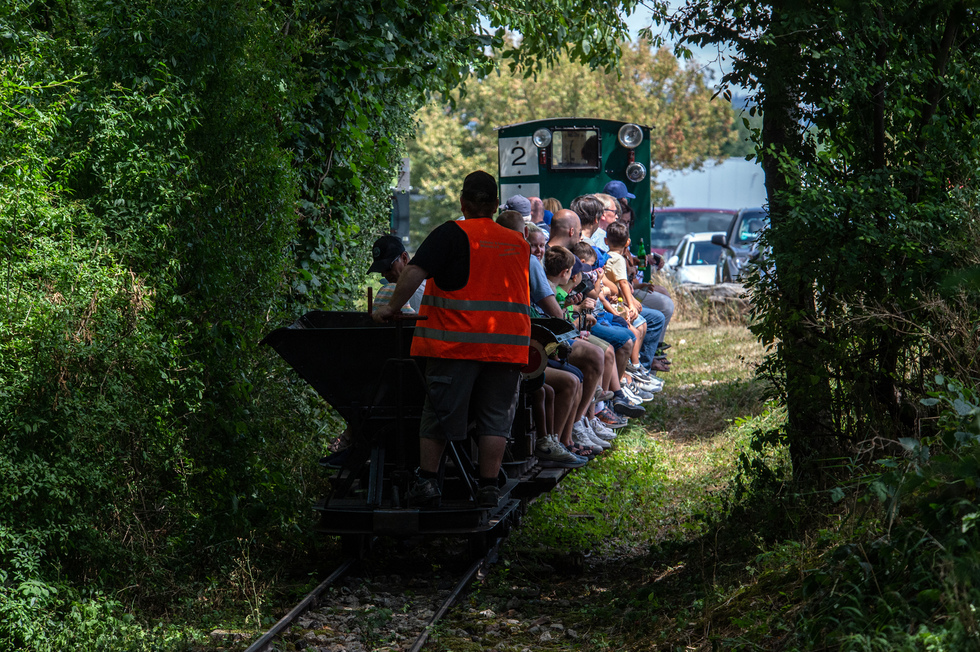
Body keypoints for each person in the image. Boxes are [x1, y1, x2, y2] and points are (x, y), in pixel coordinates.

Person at [373, 171, 531, 508]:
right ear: (495, 204)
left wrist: (390, 308)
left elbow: (414, 271)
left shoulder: (451, 233)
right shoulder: (518, 243)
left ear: (463, 203)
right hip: (507, 348)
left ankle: (428, 482)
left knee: (440, 413)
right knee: (496, 420)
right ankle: (488, 486)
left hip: (456, 346)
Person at [367, 234, 425, 312]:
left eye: (388, 267)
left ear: (404, 258)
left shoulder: (418, 291)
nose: (384, 275)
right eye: (381, 270)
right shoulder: (389, 290)